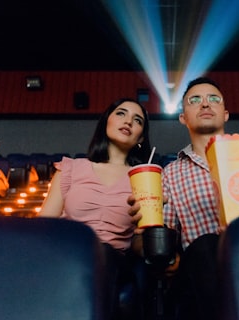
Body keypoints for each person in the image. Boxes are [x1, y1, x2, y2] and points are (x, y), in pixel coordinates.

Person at [128, 77, 239, 320]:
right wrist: (147, 234)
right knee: (207, 244)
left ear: (225, 114)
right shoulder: (171, 173)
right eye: (194, 100)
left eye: (213, 99)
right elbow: (163, 237)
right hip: (200, 270)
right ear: (182, 117)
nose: (205, 104)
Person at [40, 97, 151, 320]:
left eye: (137, 120)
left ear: (140, 137)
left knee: (104, 254)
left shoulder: (144, 179)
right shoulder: (71, 168)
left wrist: (147, 231)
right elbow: (44, 226)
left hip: (115, 261)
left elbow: (140, 246)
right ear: (106, 122)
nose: (128, 121)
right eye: (121, 113)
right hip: (68, 254)